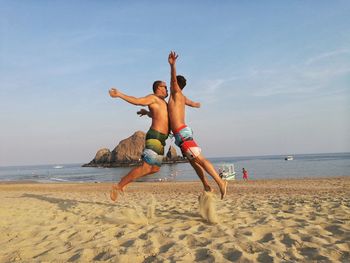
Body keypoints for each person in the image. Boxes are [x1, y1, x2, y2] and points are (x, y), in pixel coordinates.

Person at [167, 51, 228, 199]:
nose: (169, 87)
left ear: (176, 84)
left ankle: (220, 182)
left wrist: (172, 65)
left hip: (182, 133)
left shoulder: (176, 93)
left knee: (200, 159)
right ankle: (206, 185)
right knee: (194, 162)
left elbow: (173, 81)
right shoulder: (182, 97)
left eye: (172, 84)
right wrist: (196, 104)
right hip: (181, 134)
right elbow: (193, 103)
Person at [108, 81, 169, 201]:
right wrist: (119, 94)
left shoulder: (162, 102)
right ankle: (119, 186)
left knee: (155, 169)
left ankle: (125, 182)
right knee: (146, 167)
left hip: (162, 139)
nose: (167, 89)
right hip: (155, 136)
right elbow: (137, 101)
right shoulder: (153, 98)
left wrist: (147, 113)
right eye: (165, 87)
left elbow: (157, 114)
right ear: (158, 88)